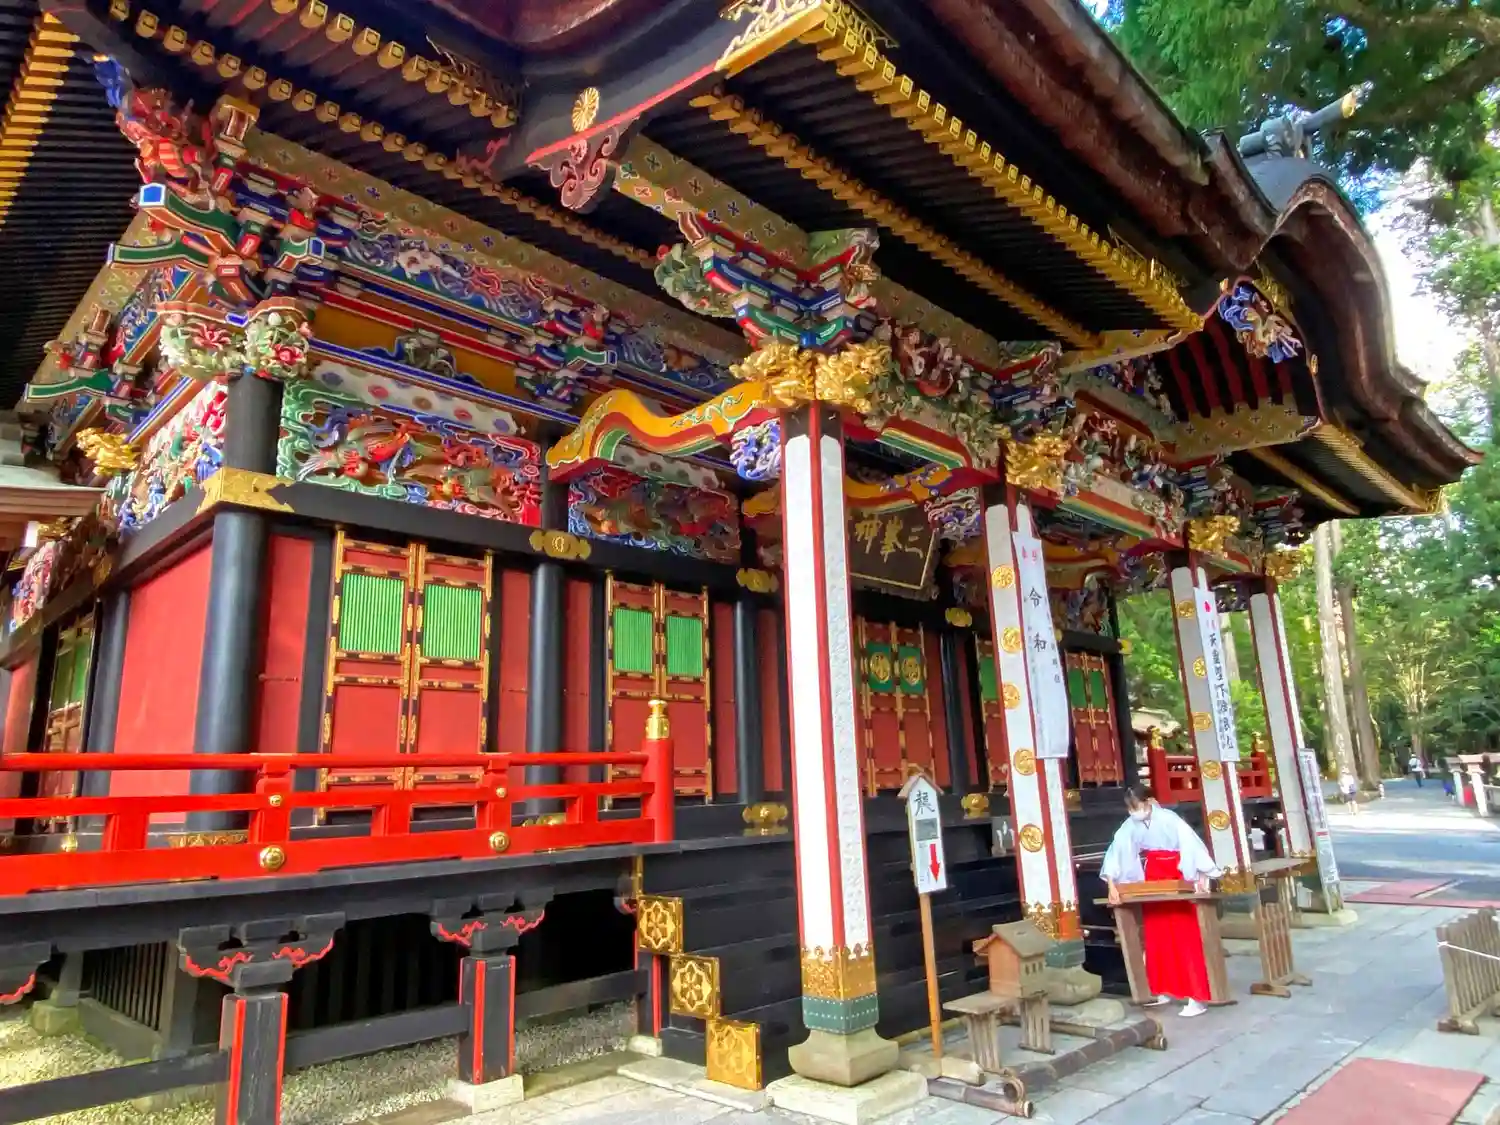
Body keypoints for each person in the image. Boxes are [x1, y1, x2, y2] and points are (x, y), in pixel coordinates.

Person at [1101, 785, 1222, 1018]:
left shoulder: (1169, 819)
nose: (1134, 812)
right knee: (1157, 936)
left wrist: (1200, 876)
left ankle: (1196, 997)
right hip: (1153, 876)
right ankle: (1162, 989)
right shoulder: (1131, 825)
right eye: (1130, 808)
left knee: (1184, 935)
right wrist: (1112, 885)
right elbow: (1118, 849)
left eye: (1137, 806)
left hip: (1176, 873)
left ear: (1149, 802)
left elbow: (1192, 845)